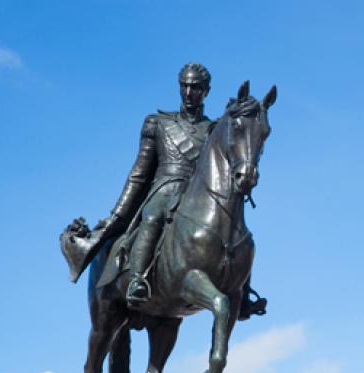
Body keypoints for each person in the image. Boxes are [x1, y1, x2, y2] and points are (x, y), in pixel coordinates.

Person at [94, 63, 266, 318]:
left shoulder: (213, 128)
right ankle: (138, 280)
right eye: (184, 86)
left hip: (198, 195)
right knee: (152, 218)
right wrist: (118, 214)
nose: (188, 92)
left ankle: (241, 294)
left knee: (236, 230)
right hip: (165, 189)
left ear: (206, 91)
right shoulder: (158, 123)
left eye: (195, 87)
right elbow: (139, 174)